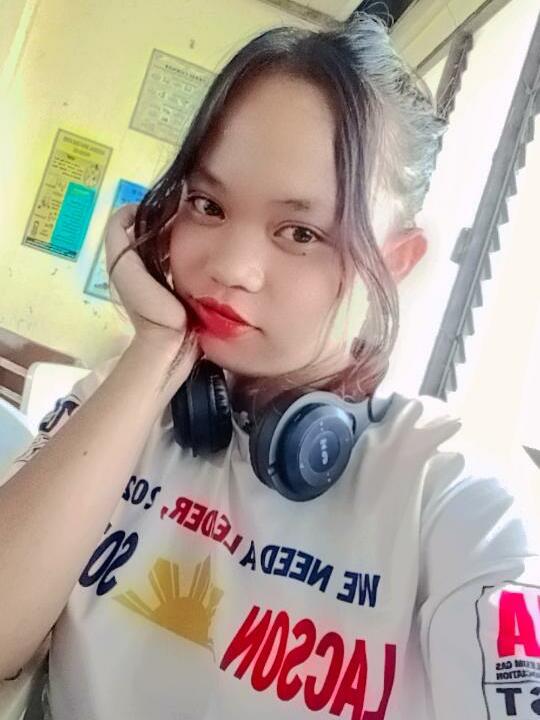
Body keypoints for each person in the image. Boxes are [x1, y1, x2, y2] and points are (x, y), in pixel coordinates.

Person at [0, 11, 538, 720]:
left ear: (395, 262)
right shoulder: (122, 405)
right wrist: (156, 349)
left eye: (301, 232)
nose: (231, 267)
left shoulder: (451, 498)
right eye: (207, 204)